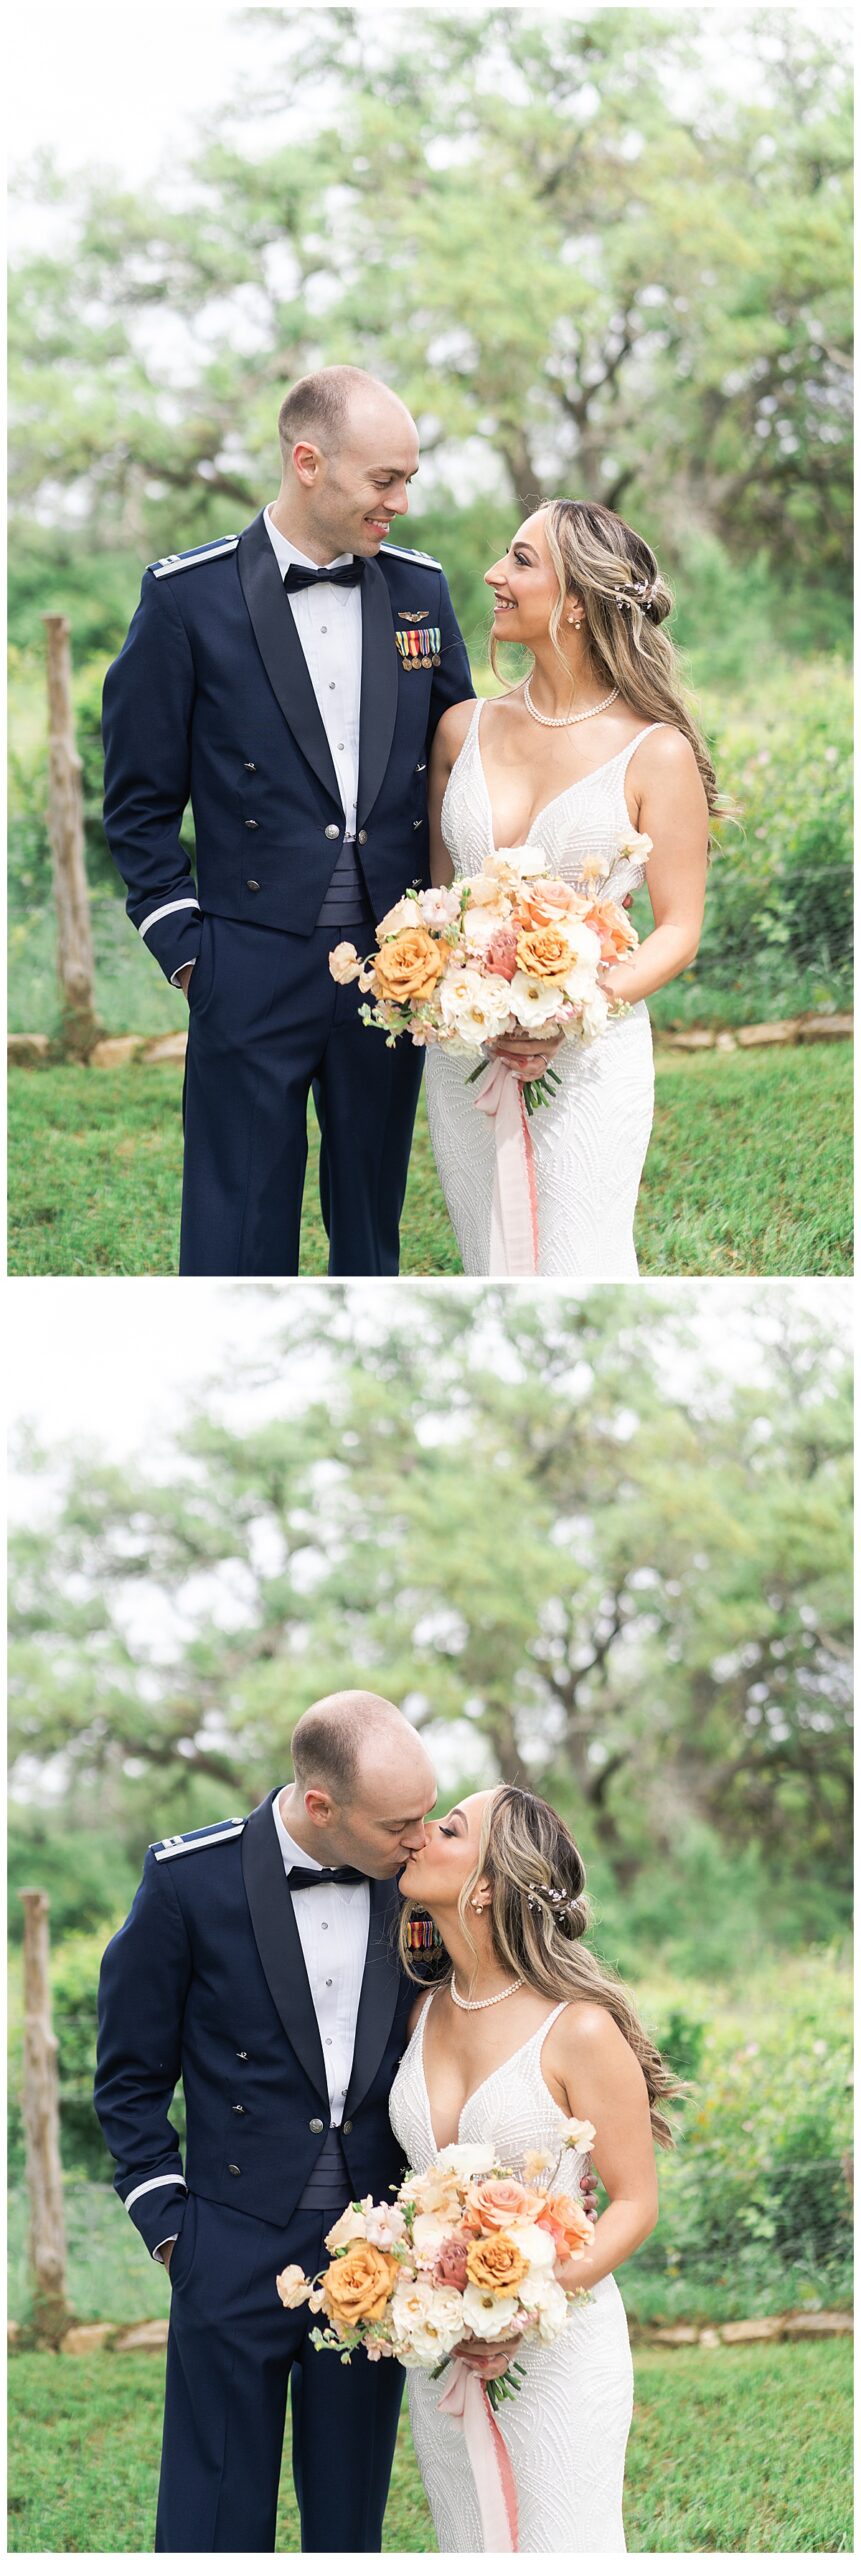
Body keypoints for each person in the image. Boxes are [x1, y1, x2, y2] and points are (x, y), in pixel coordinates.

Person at [93, 1691, 600, 2551]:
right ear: (320, 1806)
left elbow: (497, 1989)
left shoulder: (421, 1889)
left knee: (346, 2520)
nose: (419, 1838)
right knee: (209, 2516)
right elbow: (128, 2078)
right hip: (227, 2241)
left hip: (381, 2255)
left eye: (429, 1816)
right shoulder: (188, 1881)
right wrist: (173, 2229)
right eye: (398, 1823)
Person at [101, 367, 475, 1278]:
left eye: (408, 479)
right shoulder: (187, 598)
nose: (400, 501)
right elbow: (139, 799)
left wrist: (453, 929)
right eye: (384, 479)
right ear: (308, 461)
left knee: (370, 1234)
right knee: (235, 1238)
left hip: (395, 962)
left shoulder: (421, 590)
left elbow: (461, 769)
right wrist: (186, 947)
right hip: (247, 958)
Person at [391, 1784, 681, 2554]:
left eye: (447, 1828)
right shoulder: (420, 2012)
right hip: (444, 2350)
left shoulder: (578, 2028)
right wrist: (436, 2303)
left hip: (557, 2345)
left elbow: (633, 2202)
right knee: (467, 2537)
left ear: (485, 1885)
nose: (420, 1835)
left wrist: (520, 2311)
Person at [424, 499, 711, 1275]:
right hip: (466, 1054)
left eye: (520, 561)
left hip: (587, 1056)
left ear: (577, 602)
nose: (493, 575)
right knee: (484, 1259)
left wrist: (569, 1013)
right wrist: (441, 990)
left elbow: (678, 928)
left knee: (579, 1265)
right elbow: (435, 906)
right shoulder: (460, 730)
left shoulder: (656, 753)